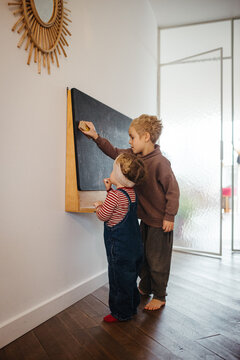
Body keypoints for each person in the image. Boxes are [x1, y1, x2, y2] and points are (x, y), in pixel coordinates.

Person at [79, 114, 180, 311]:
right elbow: (114, 152)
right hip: (145, 220)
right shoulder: (135, 156)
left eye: (132, 137)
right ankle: (146, 285)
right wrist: (95, 137)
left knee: (158, 260)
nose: (129, 141)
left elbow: (173, 190)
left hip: (160, 221)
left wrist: (169, 216)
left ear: (146, 137)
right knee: (143, 256)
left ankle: (160, 295)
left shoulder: (161, 163)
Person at [94, 153, 146, 322]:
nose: (111, 171)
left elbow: (103, 215)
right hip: (134, 247)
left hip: (119, 248)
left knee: (118, 281)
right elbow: (119, 207)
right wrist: (110, 190)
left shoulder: (115, 196)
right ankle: (131, 307)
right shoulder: (131, 194)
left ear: (120, 176)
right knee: (129, 279)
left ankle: (120, 313)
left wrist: (98, 207)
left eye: (113, 169)